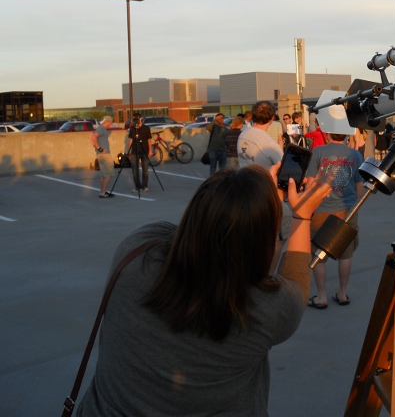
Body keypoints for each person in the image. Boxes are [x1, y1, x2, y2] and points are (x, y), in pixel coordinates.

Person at [74, 164, 332, 416]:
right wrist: (298, 216)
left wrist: (247, 196)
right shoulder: (263, 310)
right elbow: (293, 280)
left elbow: (197, 233)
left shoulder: (136, 251)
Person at [306, 133, 364, 308]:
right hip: (347, 210)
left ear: (328, 133)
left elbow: (310, 183)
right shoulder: (355, 154)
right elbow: (359, 184)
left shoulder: (317, 152)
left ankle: (321, 296)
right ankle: (342, 293)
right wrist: (354, 206)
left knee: (318, 253)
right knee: (346, 254)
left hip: (321, 209)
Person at [238, 100, 290, 272]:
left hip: (246, 190)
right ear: (272, 118)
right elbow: (286, 170)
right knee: (278, 237)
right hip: (266, 195)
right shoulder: (269, 144)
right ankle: (267, 274)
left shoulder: (244, 134)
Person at [90, 115, 115, 198]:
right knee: (108, 173)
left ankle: (102, 191)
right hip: (104, 154)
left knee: (104, 174)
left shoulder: (100, 128)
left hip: (101, 154)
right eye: (110, 123)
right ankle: (103, 192)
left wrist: (97, 148)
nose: (110, 125)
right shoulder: (101, 128)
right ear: (107, 122)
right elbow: (93, 137)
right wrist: (100, 149)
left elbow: (91, 137)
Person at [127, 113, 151, 192]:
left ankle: (144, 186)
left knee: (145, 170)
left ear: (140, 119)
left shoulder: (146, 128)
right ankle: (138, 186)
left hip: (144, 150)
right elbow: (130, 140)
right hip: (134, 151)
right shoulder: (132, 128)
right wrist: (128, 151)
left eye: (136, 118)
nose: (135, 120)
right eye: (134, 119)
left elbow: (149, 140)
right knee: (135, 171)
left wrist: (150, 150)